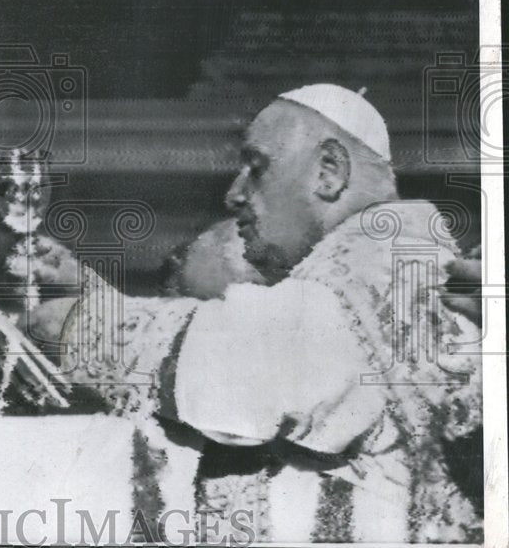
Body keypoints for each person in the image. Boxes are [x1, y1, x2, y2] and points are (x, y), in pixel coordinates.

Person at [57, 85, 482, 543]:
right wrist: (93, 297)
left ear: (329, 171)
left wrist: (80, 325)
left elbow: (259, 374)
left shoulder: (385, 256)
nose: (234, 193)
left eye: (256, 168)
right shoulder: (389, 261)